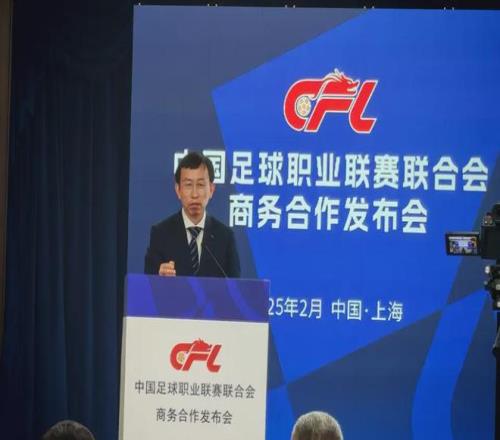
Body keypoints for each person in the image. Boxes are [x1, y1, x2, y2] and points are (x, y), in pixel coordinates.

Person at [144, 151, 240, 278]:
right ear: (178, 190)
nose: (194, 194)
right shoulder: (161, 234)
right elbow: (147, 282)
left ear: (211, 189)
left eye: (200, 185)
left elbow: (235, 286)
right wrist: (158, 276)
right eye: (188, 185)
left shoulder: (225, 237)